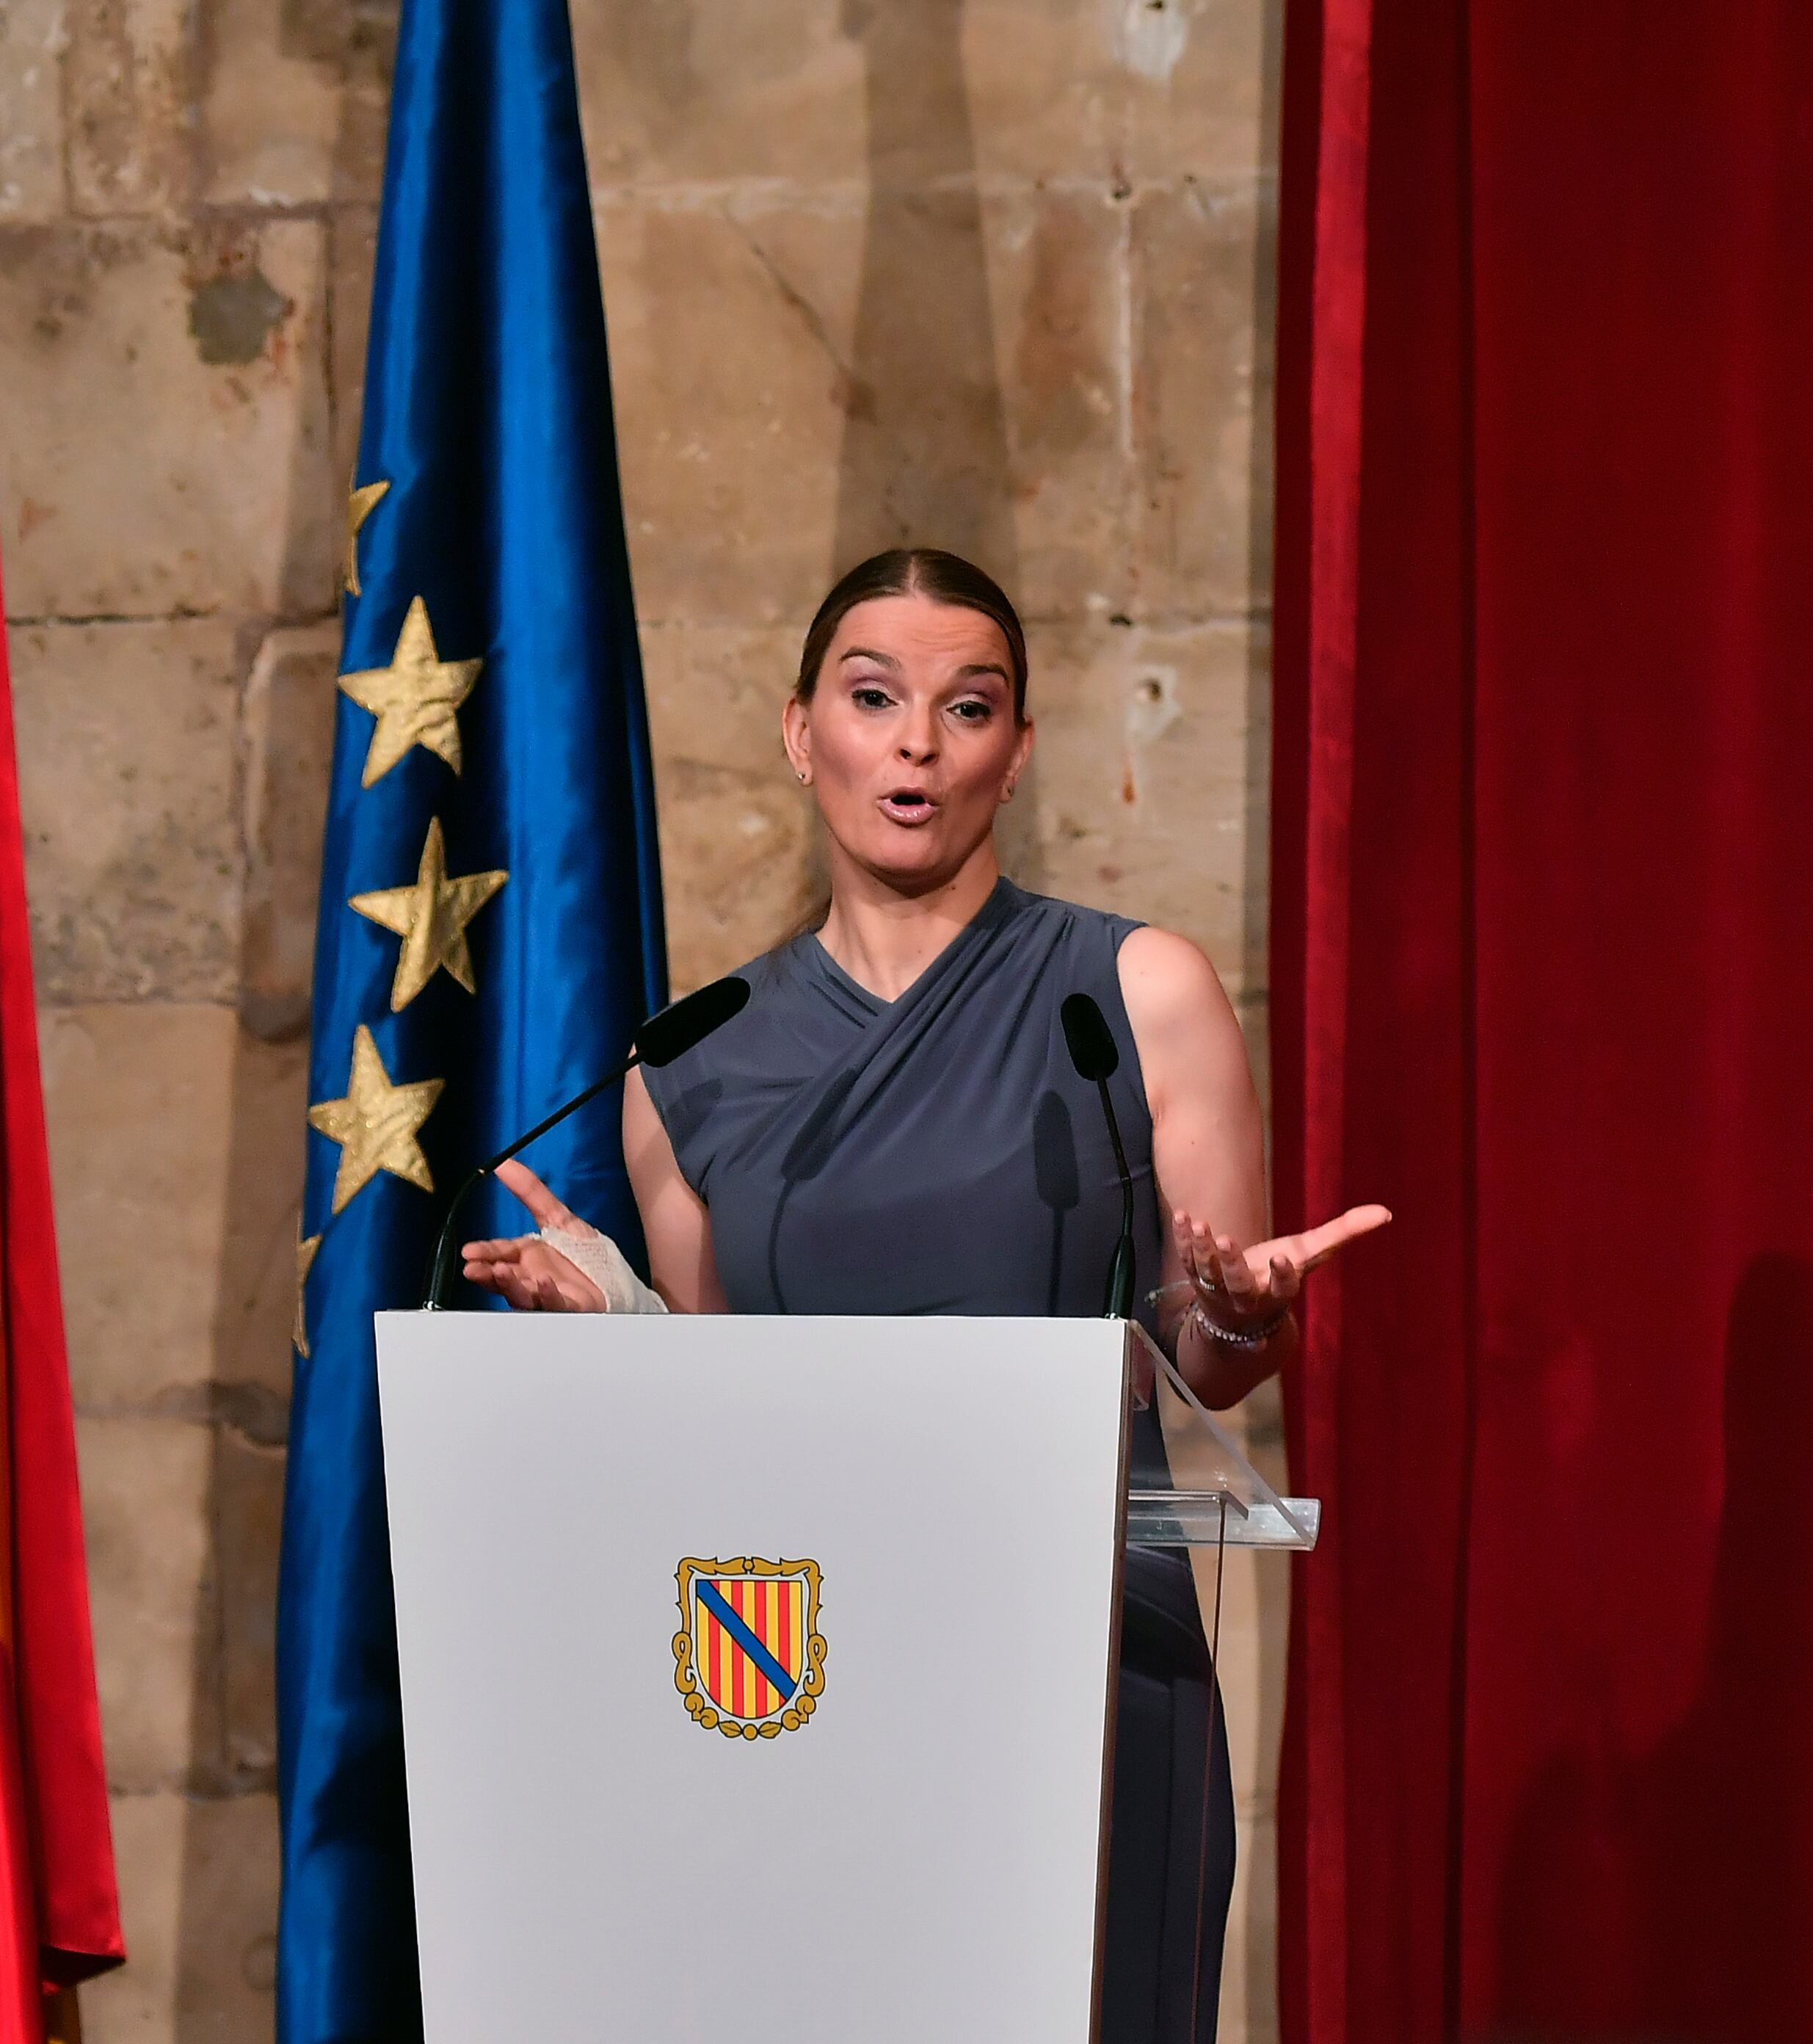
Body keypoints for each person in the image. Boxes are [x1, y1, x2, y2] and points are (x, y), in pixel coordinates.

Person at [459, 546, 1390, 2044]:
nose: (915, 743)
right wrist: (620, 1331)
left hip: (1087, 1676)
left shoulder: (1135, 995)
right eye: (873, 697)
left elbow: (1208, 1372)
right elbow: (722, 1435)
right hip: (806, 1694)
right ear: (798, 732)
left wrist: (1240, 1310)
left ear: (1015, 755)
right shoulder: (684, 1067)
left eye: (967, 708)